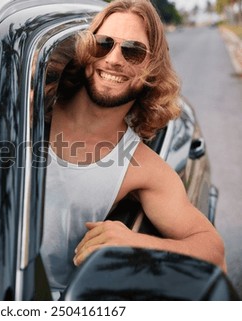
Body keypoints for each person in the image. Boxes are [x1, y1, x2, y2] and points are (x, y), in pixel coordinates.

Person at [40, 0, 226, 295]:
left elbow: (214, 253)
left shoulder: (141, 167)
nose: (114, 59)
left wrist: (134, 243)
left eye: (133, 51)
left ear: (152, 69)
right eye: (103, 44)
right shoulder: (28, 111)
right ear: (87, 52)